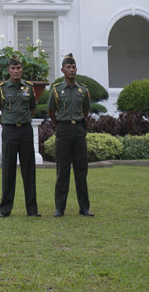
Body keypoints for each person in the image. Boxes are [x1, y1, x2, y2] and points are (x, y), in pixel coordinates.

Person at [0, 57, 40, 218]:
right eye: (13, 68)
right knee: (8, 169)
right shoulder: (3, 88)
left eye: (19, 68)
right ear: (9, 70)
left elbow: (32, 108)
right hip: (9, 131)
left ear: (22, 70)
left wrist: (22, 120)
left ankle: (32, 210)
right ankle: (5, 209)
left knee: (29, 170)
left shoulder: (29, 87)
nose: (16, 71)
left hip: (25, 130)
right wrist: (6, 123)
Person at [48, 53, 93, 218]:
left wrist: (79, 122)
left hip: (79, 130)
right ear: (62, 70)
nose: (71, 70)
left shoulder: (83, 90)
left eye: (73, 67)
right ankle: (60, 208)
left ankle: (84, 208)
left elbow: (86, 110)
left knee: (81, 170)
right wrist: (59, 123)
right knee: (63, 170)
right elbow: (51, 110)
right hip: (64, 130)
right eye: (68, 67)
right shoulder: (57, 90)